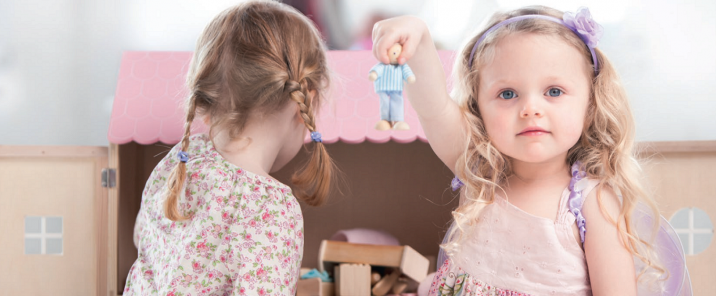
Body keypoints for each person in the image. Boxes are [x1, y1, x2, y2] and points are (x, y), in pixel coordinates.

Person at [372, 6, 673, 295]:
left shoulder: (592, 202)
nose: (530, 109)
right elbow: (434, 106)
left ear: (591, 104)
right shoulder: (480, 171)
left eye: (553, 91)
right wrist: (420, 39)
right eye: (507, 94)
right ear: (479, 108)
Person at [123, 1, 335, 295]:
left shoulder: (179, 161)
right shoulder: (269, 208)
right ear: (305, 104)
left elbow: (142, 241)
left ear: (206, 105)